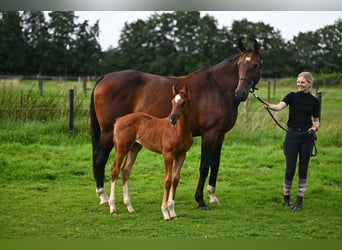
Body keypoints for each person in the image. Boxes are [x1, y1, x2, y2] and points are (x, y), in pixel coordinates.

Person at [261, 72, 320, 211]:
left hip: (307, 137)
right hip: (292, 135)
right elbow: (279, 106)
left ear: (309, 84)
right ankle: (286, 199)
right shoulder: (291, 96)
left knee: (303, 169)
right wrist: (269, 105)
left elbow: (317, 121)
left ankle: (299, 200)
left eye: (303, 82)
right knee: (290, 169)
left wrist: (314, 128)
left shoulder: (314, 101)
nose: (300, 84)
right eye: (298, 82)